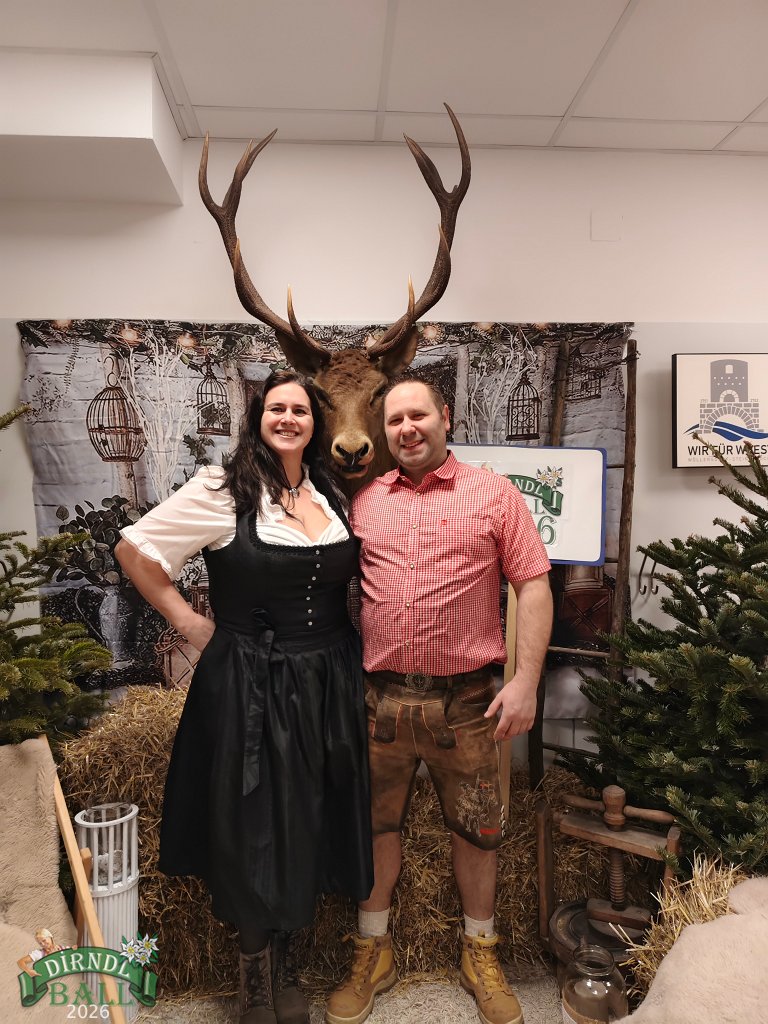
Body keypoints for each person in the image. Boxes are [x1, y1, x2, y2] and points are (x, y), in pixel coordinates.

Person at [115, 370, 373, 1024]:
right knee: (253, 820)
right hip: (251, 679)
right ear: (257, 419)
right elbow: (135, 552)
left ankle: (286, 964)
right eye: (275, 408)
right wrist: (189, 621)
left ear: (315, 424)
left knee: (308, 813)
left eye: (300, 410)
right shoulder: (222, 489)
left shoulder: (329, 492)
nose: (288, 418)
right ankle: (254, 977)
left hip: (326, 678)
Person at [326, 380, 553, 1024]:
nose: (407, 428)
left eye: (417, 414)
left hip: (469, 703)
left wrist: (526, 681)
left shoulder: (493, 493)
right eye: (395, 419)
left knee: (479, 829)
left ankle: (480, 951)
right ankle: (373, 951)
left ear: (444, 417)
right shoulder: (365, 501)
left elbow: (534, 587)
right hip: (380, 702)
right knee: (375, 828)